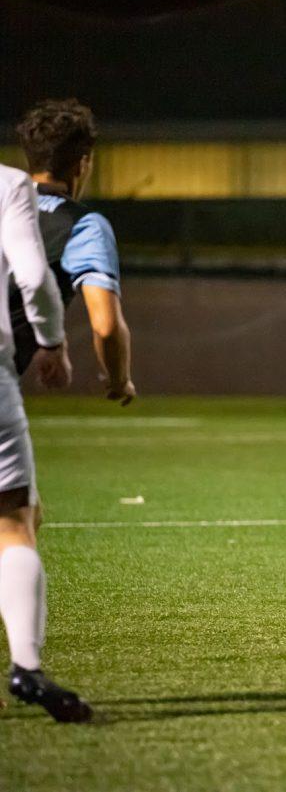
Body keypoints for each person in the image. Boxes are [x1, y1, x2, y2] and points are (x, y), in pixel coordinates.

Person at [0, 162, 91, 721]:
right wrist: (52, 342)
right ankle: (27, 668)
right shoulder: (9, 182)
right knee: (15, 520)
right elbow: (34, 277)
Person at [13, 99, 135, 403]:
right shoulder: (83, 226)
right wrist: (119, 380)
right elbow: (106, 326)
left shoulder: (6, 206)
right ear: (83, 163)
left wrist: (52, 338)